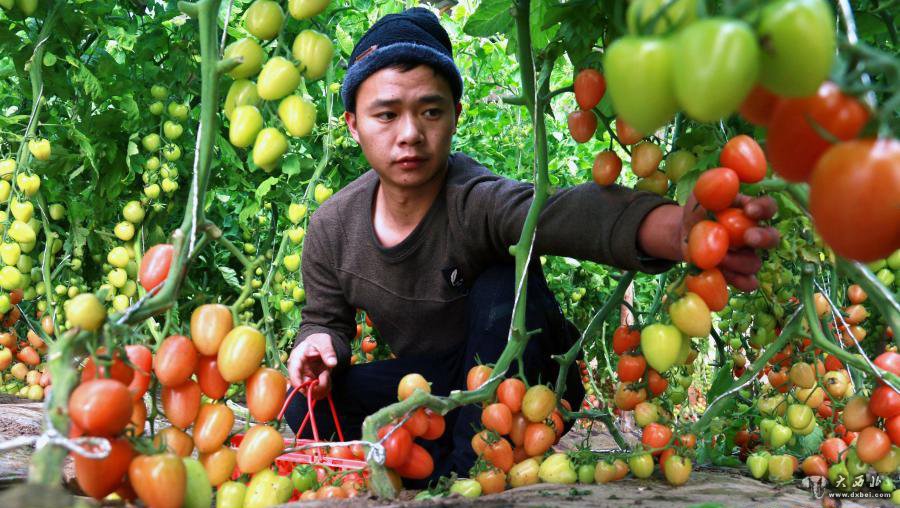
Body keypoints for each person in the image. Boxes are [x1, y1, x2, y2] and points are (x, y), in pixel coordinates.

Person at [285, 7, 779, 483]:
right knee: (303, 401)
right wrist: (319, 344)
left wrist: (677, 233)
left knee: (502, 280)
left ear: (455, 115)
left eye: (430, 111)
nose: (410, 134)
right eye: (386, 115)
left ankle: (467, 469)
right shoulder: (333, 227)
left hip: (526, 374)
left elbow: (563, 215)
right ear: (353, 124)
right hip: (444, 385)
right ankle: (460, 448)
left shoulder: (474, 200)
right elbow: (325, 319)